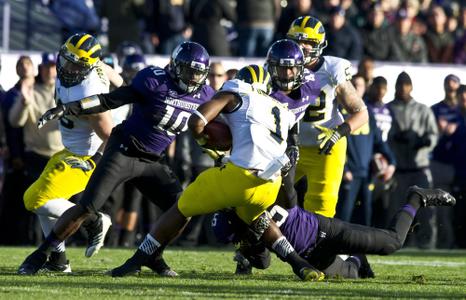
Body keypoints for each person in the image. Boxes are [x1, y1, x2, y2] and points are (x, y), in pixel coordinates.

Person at [107, 65, 326, 282]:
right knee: (260, 218)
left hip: (241, 176)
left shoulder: (235, 93)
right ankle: (300, 264)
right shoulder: (280, 107)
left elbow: (196, 121)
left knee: (181, 207)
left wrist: (205, 142)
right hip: (270, 184)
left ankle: (139, 259)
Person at [18, 41, 215, 276]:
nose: (192, 78)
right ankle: (41, 254)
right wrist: (69, 108)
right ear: (175, 67)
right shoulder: (155, 81)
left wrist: (221, 151)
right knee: (87, 207)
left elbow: (215, 127)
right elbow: (108, 100)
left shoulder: (206, 95)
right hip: (123, 150)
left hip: (153, 161)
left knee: (182, 208)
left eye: (197, 73)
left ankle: (151, 255)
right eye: (188, 71)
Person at [17, 34, 120, 273]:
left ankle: (94, 220)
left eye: (77, 64)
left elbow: (112, 136)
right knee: (45, 203)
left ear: (89, 66)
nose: (69, 67)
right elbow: (120, 80)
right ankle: (58, 261)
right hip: (68, 150)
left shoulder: (88, 91)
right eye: (67, 60)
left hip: (83, 157)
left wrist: (95, 161)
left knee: (34, 200)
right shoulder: (92, 68)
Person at [212, 186, 456, 279]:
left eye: (237, 236)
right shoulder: (242, 226)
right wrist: (248, 251)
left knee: (393, 242)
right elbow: (264, 262)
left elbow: (290, 196)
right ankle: (359, 257)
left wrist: (288, 167)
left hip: (326, 232)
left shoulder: (258, 196)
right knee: (352, 274)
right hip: (312, 257)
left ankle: (416, 197)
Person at [286, 15, 368, 217]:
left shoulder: (332, 69)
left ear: (320, 45)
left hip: (325, 145)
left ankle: (317, 248)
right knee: (266, 193)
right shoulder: (280, 64)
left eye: (308, 42)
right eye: (297, 41)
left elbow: (361, 113)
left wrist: (338, 132)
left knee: (321, 204)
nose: (302, 47)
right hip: (290, 145)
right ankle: (257, 247)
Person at [387, 71, 438, 249]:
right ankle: (398, 244)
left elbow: (433, 134)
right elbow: (384, 135)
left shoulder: (423, 109)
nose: (402, 88)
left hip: (419, 168)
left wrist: (423, 141)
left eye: (405, 85)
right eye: (399, 85)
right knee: (397, 210)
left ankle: (427, 245)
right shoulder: (389, 109)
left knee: (426, 211)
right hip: (399, 169)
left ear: (411, 87)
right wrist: (395, 138)